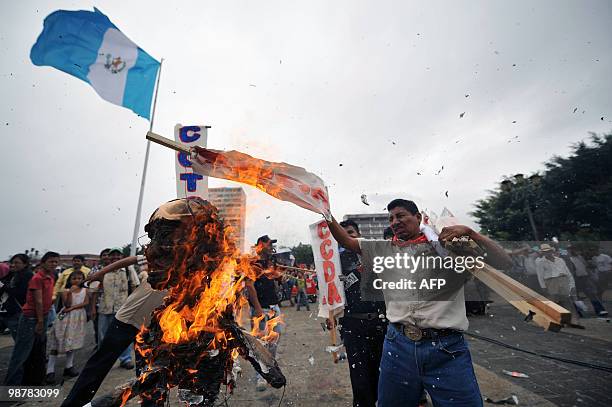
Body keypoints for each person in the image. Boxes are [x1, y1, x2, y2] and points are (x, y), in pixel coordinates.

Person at [326, 199, 512, 407]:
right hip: (397, 345)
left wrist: (473, 234)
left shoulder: (451, 248)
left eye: (400, 215)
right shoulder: (384, 249)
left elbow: (504, 262)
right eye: (391, 218)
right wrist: (324, 211)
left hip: (446, 348)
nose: (394, 221)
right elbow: (347, 242)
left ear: (418, 217)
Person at [337, 219, 387, 407]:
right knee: (360, 378)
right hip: (353, 327)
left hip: (380, 324)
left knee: (384, 374)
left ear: (358, 235)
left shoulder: (374, 254)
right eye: (342, 234)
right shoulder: (334, 262)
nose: (347, 237)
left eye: (350, 232)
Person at [4, 251, 59, 385]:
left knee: (37, 350)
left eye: (56, 262)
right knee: (21, 352)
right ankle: (11, 384)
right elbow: (38, 302)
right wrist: (40, 321)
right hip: (31, 318)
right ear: (43, 262)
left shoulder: (51, 276)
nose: (54, 264)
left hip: (43, 316)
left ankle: (32, 380)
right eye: (51, 261)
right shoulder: (37, 278)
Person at [245, 235, 283, 391]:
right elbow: (249, 286)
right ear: (261, 245)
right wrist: (258, 308)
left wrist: (280, 277)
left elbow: (274, 279)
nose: (271, 247)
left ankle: (269, 373)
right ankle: (260, 376)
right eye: (268, 244)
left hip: (274, 307)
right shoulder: (252, 263)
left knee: (273, 342)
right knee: (261, 344)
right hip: (262, 309)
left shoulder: (270, 262)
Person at [92, 247, 137, 369]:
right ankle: (103, 361)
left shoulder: (128, 269)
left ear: (122, 257)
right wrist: (92, 309)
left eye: (118, 255)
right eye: (113, 255)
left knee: (123, 336)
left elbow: (134, 287)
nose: (115, 257)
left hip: (123, 309)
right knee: (103, 336)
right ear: (109, 256)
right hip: (104, 308)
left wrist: (133, 306)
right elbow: (95, 291)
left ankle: (125, 359)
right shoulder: (102, 271)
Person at [46, 269, 89, 384]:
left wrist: (73, 308)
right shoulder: (65, 291)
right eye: (74, 278)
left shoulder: (85, 290)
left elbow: (86, 302)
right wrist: (70, 292)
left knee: (72, 341)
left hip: (78, 317)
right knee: (57, 340)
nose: (77, 280)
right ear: (70, 280)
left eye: (79, 278)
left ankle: (69, 366)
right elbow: (67, 304)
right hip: (65, 319)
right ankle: (50, 370)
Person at [535, 244, 583, 328]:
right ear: (542, 253)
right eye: (545, 252)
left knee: (567, 301)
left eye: (548, 251)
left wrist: (572, 284)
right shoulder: (540, 262)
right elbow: (540, 276)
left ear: (551, 251)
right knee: (555, 302)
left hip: (563, 280)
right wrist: (543, 287)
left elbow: (568, 273)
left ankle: (573, 321)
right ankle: (556, 320)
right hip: (550, 281)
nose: (547, 253)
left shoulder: (560, 260)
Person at [0, 254, 34, 340]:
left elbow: (20, 293)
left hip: (17, 311)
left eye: (17, 262)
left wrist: (4, 286)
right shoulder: (13, 274)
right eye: (12, 262)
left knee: (20, 340)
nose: (13, 265)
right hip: (6, 311)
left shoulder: (27, 275)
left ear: (25, 264)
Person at [568, 247, 608, 317]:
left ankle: (600, 310)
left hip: (585, 278)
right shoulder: (569, 259)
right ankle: (580, 313)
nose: (576, 251)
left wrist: (590, 270)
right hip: (576, 279)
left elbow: (586, 266)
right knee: (576, 297)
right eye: (573, 250)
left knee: (592, 294)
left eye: (576, 250)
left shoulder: (580, 257)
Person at [88, 248, 111, 346]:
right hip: (98, 303)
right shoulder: (95, 270)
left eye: (108, 255)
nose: (106, 257)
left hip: (113, 304)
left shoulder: (118, 268)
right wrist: (92, 308)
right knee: (98, 328)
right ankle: (99, 346)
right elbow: (93, 289)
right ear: (101, 257)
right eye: (104, 255)